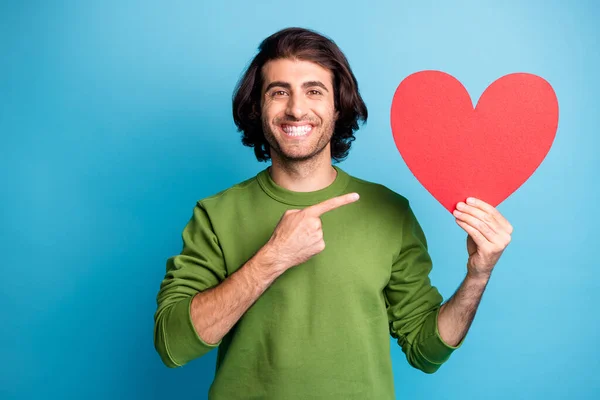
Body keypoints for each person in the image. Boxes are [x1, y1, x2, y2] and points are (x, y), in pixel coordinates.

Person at [153, 27, 513, 400]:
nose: (295, 108)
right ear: (258, 107)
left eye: (314, 91)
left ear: (337, 105)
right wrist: (272, 258)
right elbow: (173, 346)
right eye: (279, 92)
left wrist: (478, 274)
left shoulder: (390, 212)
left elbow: (426, 351)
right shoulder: (216, 214)